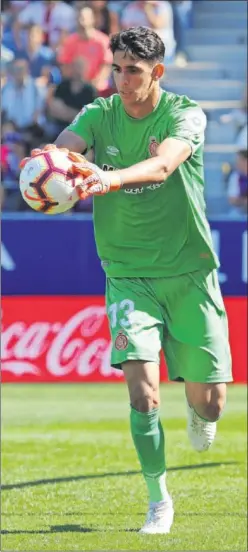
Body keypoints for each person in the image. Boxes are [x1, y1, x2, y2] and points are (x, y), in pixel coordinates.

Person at [21, 27, 233, 535]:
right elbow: (66, 147)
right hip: (127, 274)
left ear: (156, 72)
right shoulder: (100, 112)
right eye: (116, 69)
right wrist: (52, 167)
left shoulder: (185, 114)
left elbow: (162, 166)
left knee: (212, 401)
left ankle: (200, 409)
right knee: (143, 394)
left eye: (132, 71)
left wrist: (107, 178)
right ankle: (158, 499)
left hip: (188, 270)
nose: (121, 79)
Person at [57, 5, 113, 93]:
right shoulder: (70, 41)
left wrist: (94, 85)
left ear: (92, 19)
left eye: (84, 18)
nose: (81, 21)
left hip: (98, 90)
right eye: (79, 18)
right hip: (76, 88)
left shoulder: (103, 41)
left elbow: (106, 67)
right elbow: (65, 66)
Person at [226, 149, 248, 219]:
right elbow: (232, 200)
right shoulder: (235, 177)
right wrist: (244, 201)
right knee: (232, 216)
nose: (237, 163)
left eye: (239, 160)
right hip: (241, 210)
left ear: (245, 161)